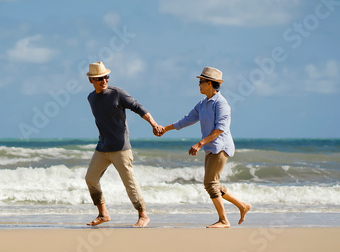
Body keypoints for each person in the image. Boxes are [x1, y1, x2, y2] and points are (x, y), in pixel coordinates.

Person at [158, 67, 251, 228]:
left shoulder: (222, 104)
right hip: (211, 147)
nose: (198, 85)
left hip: (221, 146)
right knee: (212, 183)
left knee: (210, 183)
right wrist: (165, 129)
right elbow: (186, 120)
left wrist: (200, 143)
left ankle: (224, 220)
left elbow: (220, 129)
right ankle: (242, 205)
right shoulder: (203, 104)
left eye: (201, 82)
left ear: (209, 83)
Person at [85, 61, 162, 227]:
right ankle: (103, 213)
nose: (104, 80)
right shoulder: (91, 98)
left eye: (106, 77)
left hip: (121, 148)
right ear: (91, 80)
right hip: (102, 147)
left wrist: (154, 124)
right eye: (99, 78)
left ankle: (143, 215)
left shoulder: (117, 93)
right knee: (90, 178)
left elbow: (138, 107)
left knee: (130, 184)